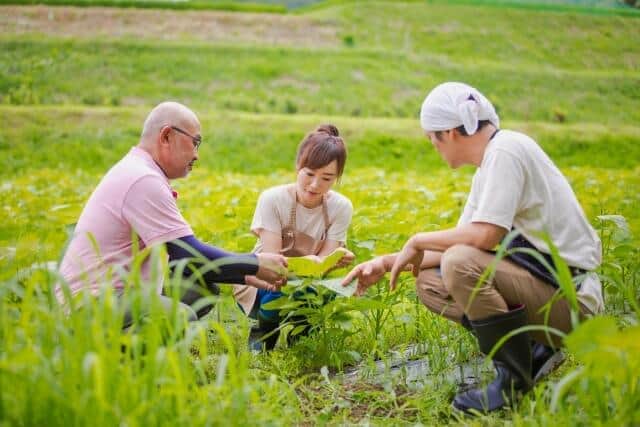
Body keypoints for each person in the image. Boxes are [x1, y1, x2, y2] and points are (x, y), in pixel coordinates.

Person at [342, 82, 603, 414]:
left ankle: (512, 383)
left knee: (460, 263)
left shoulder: (506, 151)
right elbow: (467, 238)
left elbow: (484, 238)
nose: (433, 148)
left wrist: (418, 239)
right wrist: (385, 262)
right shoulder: (490, 165)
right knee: (430, 282)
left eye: (431, 138)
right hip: (546, 288)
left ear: (449, 133)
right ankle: (534, 350)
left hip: (573, 300)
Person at [56, 102, 288, 328]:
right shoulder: (142, 179)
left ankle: (130, 344)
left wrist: (245, 276)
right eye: (195, 142)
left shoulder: (140, 170)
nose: (196, 155)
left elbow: (182, 261)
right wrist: (256, 264)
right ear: (166, 136)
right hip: (88, 304)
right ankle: (118, 360)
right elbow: (189, 252)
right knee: (179, 316)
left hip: (117, 294)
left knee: (200, 287)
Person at [233, 124, 354, 351]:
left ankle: (302, 339)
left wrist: (336, 258)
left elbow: (325, 264)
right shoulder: (272, 199)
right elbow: (271, 263)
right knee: (277, 288)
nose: (315, 185)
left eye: (327, 178)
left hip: (310, 281)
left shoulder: (341, 207)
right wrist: (312, 263)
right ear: (298, 167)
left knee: (326, 288)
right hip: (264, 282)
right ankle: (264, 330)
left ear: (337, 177)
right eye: (309, 174)